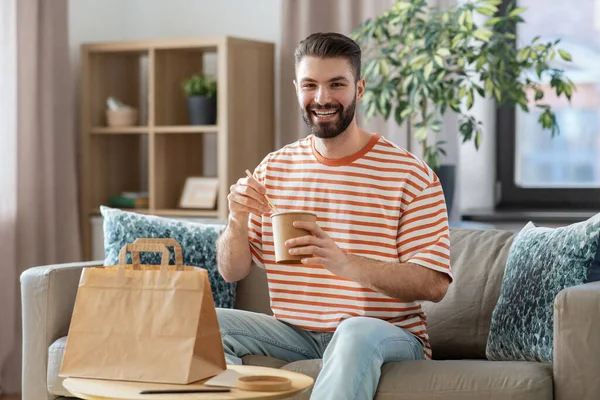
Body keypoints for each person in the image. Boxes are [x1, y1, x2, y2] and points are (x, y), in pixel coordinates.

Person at [215, 32, 452, 400]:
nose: (322, 98)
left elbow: (434, 284)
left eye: (336, 84)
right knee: (204, 325)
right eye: (310, 85)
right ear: (297, 89)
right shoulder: (273, 169)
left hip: (385, 333)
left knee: (354, 332)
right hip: (296, 334)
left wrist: (347, 264)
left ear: (359, 88)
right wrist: (236, 220)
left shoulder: (410, 175)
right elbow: (232, 271)